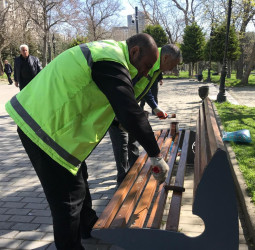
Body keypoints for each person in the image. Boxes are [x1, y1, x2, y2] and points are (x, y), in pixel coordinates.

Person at [5, 34, 170, 249]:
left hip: (56, 129)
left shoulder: (110, 54)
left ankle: (88, 225)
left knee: (79, 181)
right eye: (147, 65)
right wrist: (156, 156)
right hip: (44, 130)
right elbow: (129, 110)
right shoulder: (109, 59)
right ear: (135, 51)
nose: (147, 72)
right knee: (67, 201)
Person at [109, 44, 181, 186]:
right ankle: (122, 183)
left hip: (130, 110)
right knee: (121, 145)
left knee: (133, 143)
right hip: (116, 111)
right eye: (173, 65)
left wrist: (155, 107)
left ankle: (134, 175)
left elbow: (144, 87)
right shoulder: (147, 60)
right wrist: (156, 157)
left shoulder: (155, 67)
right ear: (165, 58)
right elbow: (121, 90)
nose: (173, 69)